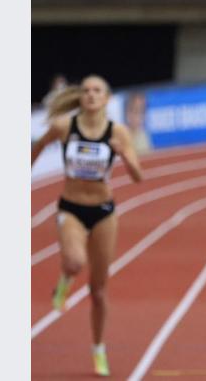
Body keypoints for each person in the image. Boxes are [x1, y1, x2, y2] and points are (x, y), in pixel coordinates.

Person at [31, 74, 143, 377]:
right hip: (71, 207)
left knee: (99, 290)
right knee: (74, 260)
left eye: (97, 91)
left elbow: (138, 176)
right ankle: (65, 281)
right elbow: (38, 146)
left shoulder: (117, 132)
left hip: (104, 211)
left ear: (106, 99)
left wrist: (125, 156)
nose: (91, 95)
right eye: (86, 91)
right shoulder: (64, 127)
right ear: (80, 98)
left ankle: (98, 349)